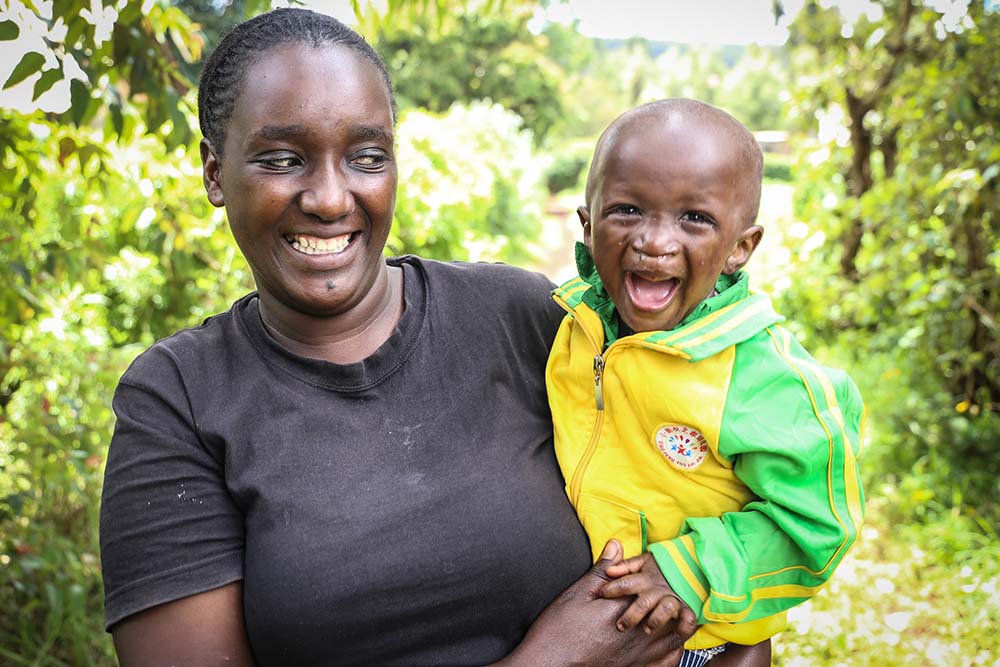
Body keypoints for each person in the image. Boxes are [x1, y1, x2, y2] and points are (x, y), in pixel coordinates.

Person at [99, 9, 696, 667]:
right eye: (281, 158)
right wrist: (555, 657)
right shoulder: (181, 398)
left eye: (365, 156)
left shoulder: (522, 318)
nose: (329, 197)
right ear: (215, 172)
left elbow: (706, 486)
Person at [545, 99, 866, 666]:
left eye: (694, 218)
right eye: (627, 210)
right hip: (582, 622)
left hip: (688, 637)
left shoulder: (762, 376)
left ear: (740, 246)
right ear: (589, 226)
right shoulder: (575, 327)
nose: (655, 241)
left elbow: (818, 527)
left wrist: (688, 570)